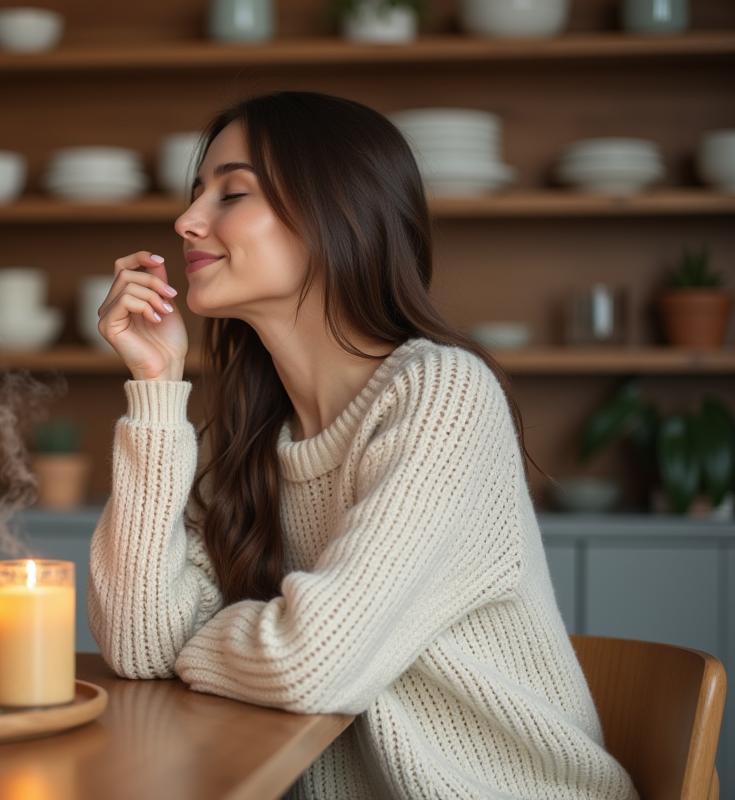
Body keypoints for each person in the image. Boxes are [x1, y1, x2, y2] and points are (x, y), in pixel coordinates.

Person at [86, 92, 637, 800]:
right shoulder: (247, 434)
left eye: (232, 193)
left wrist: (201, 636)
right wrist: (156, 387)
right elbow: (137, 646)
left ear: (333, 212)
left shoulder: (441, 395)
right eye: (197, 195)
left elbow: (309, 663)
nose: (187, 221)